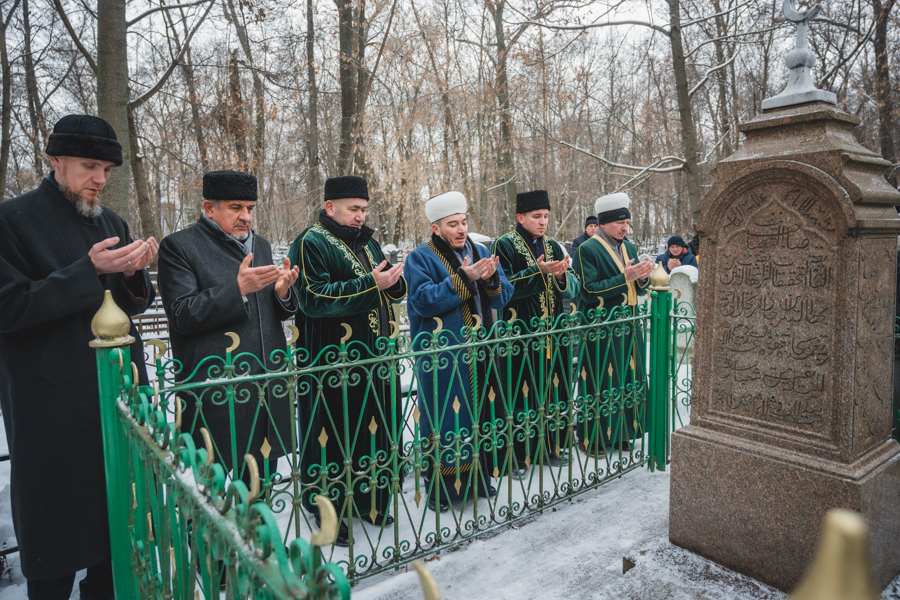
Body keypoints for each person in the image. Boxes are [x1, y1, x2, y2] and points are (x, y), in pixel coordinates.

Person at [0, 114, 157, 599]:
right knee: (57, 539)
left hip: (117, 396)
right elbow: (10, 307)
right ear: (54, 160)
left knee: (116, 534)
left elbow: (130, 305)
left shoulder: (110, 221)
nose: (100, 180)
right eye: (91, 167)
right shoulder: (12, 220)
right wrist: (85, 271)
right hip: (50, 405)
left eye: (108, 171)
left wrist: (134, 277)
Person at [157, 170, 299, 490]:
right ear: (209, 208)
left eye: (250, 208)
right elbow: (181, 314)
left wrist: (282, 293)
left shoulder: (260, 245)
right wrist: (237, 289)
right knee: (212, 496)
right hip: (217, 394)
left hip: (265, 387)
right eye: (236, 208)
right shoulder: (179, 246)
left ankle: (255, 541)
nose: (246, 217)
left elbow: (274, 311)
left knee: (259, 491)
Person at [289, 175, 406, 545]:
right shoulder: (311, 241)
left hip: (374, 360)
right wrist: (372, 285)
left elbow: (387, 286)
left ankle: (370, 501)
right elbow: (314, 297)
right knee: (331, 437)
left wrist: (393, 281)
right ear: (330, 208)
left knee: (372, 432)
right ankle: (327, 512)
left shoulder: (368, 243)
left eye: (364, 209)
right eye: (354, 209)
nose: (360, 216)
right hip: (331, 364)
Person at [405, 192, 514, 511]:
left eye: (464, 222)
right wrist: (463, 278)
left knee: (480, 417)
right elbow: (423, 301)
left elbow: (503, 297)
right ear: (436, 228)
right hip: (442, 356)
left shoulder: (481, 251)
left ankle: (480, 481)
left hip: (480, 352)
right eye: (453, 224)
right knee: (443, 422)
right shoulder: (420, 258)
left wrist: (492, 277)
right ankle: (440, 491)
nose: (461, 228)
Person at [491, 190, 578, 478]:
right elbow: (504, 287)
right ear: (520, 217)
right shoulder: (504, 245)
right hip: (521, 337)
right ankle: (517, 456)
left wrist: (561, 276)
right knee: (521, 394)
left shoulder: (553, 245)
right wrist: (537, 272)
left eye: (546, 217)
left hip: (554, 332)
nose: (543, 223)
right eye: (537, 217)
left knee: (554, 391)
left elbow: (573, 287)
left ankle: (551, 447)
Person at [571, 192, 653, 456]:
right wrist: (624, 276)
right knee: (598, 380)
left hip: (629, 322)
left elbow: (638, 291)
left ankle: (621, 433)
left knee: (628, 377)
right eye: (620, 223)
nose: (624, 228)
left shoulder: (628, 247)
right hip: (600, 326)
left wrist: (642, 277)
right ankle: (589, 437)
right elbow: (588, 291)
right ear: (603, 224)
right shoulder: (587, 249)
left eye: (627, 223)